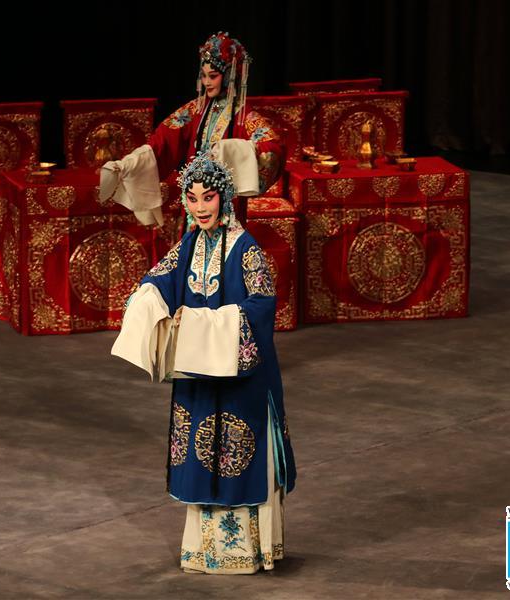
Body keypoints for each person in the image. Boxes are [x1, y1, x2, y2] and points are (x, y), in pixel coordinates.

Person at [111, 152, 296, 574]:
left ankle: (247, 553)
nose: (200, 207)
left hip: (241, 381)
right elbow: (160, 278)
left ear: (225, 197)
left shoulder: (247, 250)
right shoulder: (190, 244)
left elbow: (262, 307)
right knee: (201, 455)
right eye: (192, 199)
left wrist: (200, 323)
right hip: (198, 375)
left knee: (237, 455)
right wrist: (146, 299)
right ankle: (205, 551)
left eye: (208, 197)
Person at [99, 32, 285, 228]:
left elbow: (272, 147)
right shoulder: (194, 110)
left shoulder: (243, 115)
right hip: (193, 199)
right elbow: (162, 141)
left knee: (223, 245)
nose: (206, 82)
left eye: (213, 76)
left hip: (225, 205)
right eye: (203, 76)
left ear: (229, 76)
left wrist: (234, 151)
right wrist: (130, 163)